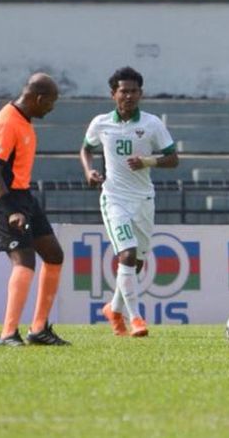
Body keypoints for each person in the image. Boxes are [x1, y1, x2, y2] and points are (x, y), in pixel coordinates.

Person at [80, 66, 179, 338]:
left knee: (136, 263)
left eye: (134, 91)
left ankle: (113, 309)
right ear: (114, 94)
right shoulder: (101, 123)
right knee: (127, 254)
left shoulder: (151, 124)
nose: (129, 96)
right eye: (124, 91)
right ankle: (135, 318)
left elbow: (173, 159)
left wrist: (147, 161)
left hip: (144, 199)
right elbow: (86, 149)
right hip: (115, 198)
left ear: (141, 94)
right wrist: (89, 171)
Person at [0, 73, 69, 347]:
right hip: (4, 198)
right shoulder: (7, 122)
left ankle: (38, 329)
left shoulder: (23, 121)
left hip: (24, 196)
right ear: (38, 98)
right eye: (50, 102)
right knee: (24, 261)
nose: (52, 108)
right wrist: (11, 210)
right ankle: (8, 333)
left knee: (54, 255)